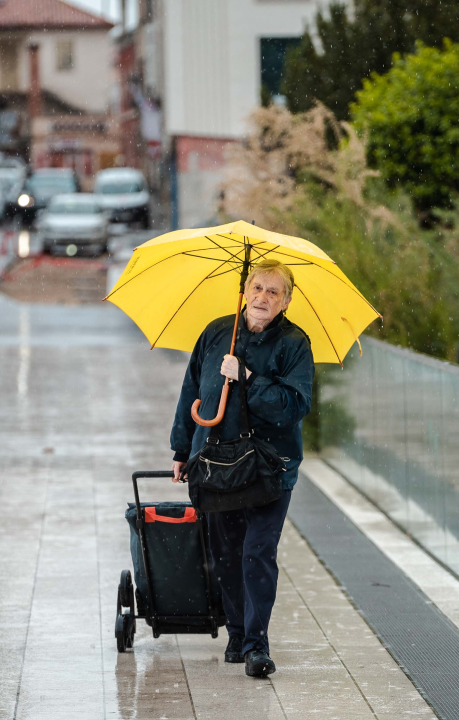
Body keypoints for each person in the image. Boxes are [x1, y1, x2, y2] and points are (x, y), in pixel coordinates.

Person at [170, 259, 314, 678]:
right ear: (244, 291)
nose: (263, 297)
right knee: (227, 554)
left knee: (257, 553)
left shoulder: (294, 343)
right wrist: (181, 449)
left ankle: (256, 645)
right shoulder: (218, 333)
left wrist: (248, 377)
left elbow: (293, 407)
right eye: (257, 287)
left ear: (286, 301)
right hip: (216, 465)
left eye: (274, 292)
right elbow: (191, 390)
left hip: (270, 469)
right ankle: (236, 633)